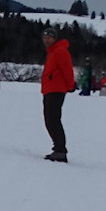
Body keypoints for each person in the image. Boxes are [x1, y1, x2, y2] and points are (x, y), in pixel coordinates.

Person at [40, 27, 75, 162]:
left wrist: (70, 85)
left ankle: (60, 151)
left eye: (49, 37)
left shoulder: (60, 51)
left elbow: (67, 70)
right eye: (44, 37)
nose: (46, 40)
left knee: (53, 120)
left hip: (56, 89)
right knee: (50, 120)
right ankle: (58, 149)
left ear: (55, 39)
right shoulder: (52, 53)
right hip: (49, 89)